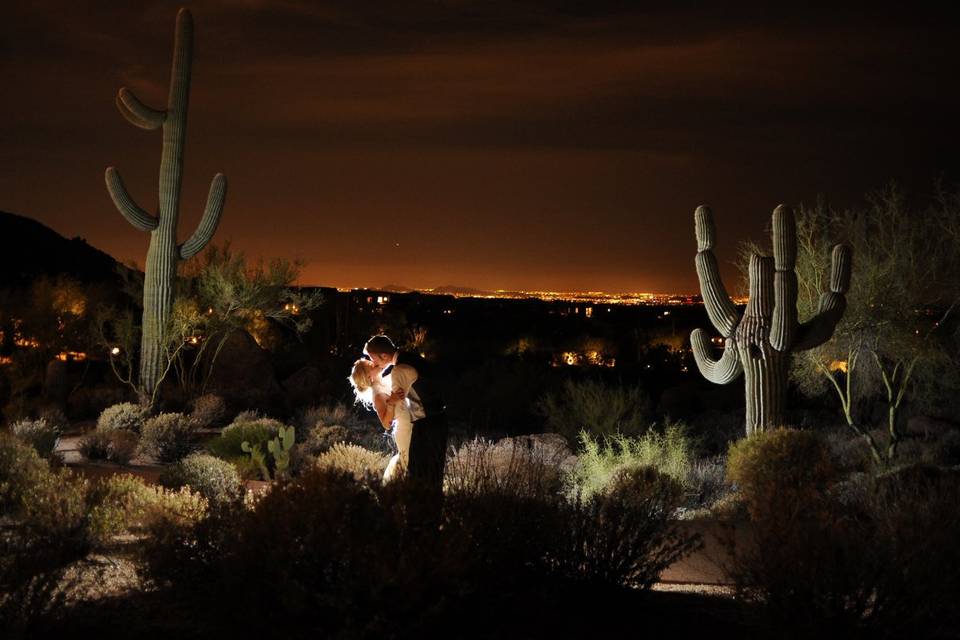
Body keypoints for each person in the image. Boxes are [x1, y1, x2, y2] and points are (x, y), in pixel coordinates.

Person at [363, 334, 448, 489]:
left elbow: (397, 407)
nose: (372, 362)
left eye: (372, 357)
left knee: (419, 474)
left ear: (383, 355)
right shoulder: (411, 358)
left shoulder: (398, 371)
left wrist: (390, 401)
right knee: (434, 473)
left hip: (425, 424)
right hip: (439, 419)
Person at [348, 358, 408, 482]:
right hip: (405, 430)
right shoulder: (377, 394)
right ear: (368, 376)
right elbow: (386, 424)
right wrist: (391, 402)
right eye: (370, 364)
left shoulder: (382, 381)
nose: (374, 362)